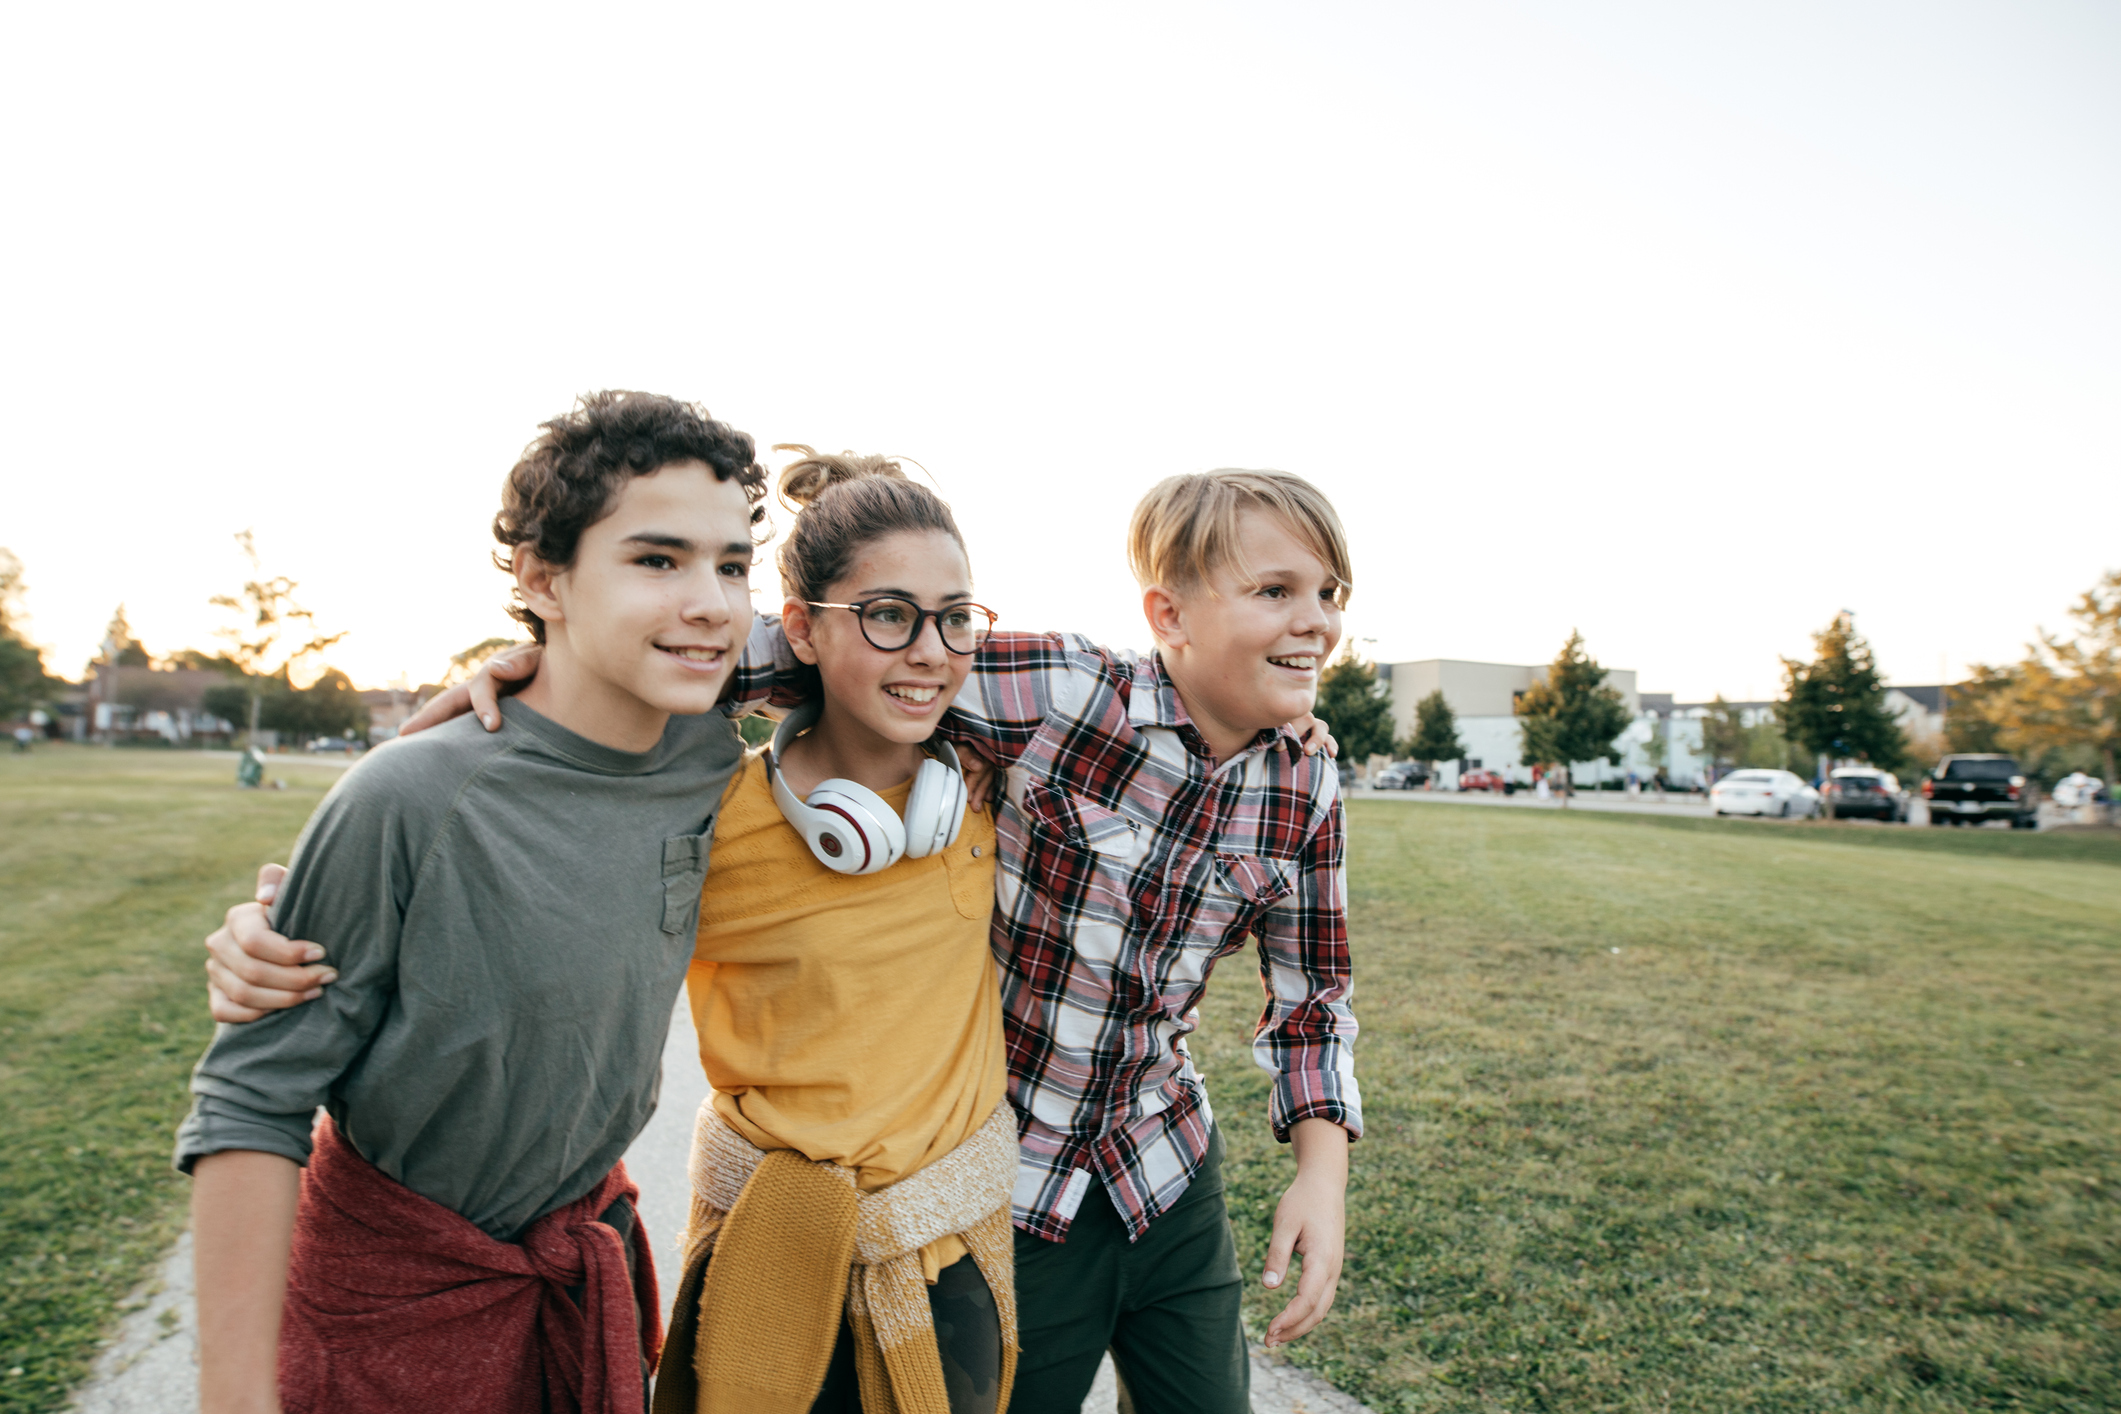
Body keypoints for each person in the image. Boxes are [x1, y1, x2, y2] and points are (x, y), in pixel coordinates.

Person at [212, 467, 1363, 1414]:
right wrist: (540, 665)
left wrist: (1321, 1168)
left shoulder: (1308, 776)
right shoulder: (1063, 691)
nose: (1314, 619)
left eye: (1329, 594)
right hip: (1021, 1191)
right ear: (1169, 612)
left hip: (1162, 1162)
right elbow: (776, 647)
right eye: (1276, 589)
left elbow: (1312, 991)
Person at [175, 391, 768, 1414]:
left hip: (574, 1264)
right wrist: (236, 1398)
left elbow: (886, 651)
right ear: (545, 579)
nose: (712, 601)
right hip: (391, 1304)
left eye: (732, 563)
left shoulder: (712, 755)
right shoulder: (409, 792)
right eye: (657, 559)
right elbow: (250, 1100)